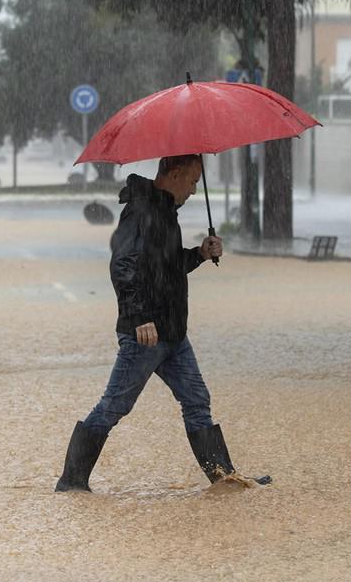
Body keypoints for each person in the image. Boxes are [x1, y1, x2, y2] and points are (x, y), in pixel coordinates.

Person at [55, 154, 270, 492]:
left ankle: (224, 478)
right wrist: (140, 317)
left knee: (197, 400)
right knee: (113, 406)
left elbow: (165, 270)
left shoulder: (166, 212)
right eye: (193, 181)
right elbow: (122, 266)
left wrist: (199, 254)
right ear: (174, 174)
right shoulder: (141, 212)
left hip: (173, 334)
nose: (195, 190)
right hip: (146, 335)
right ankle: (71, 482)